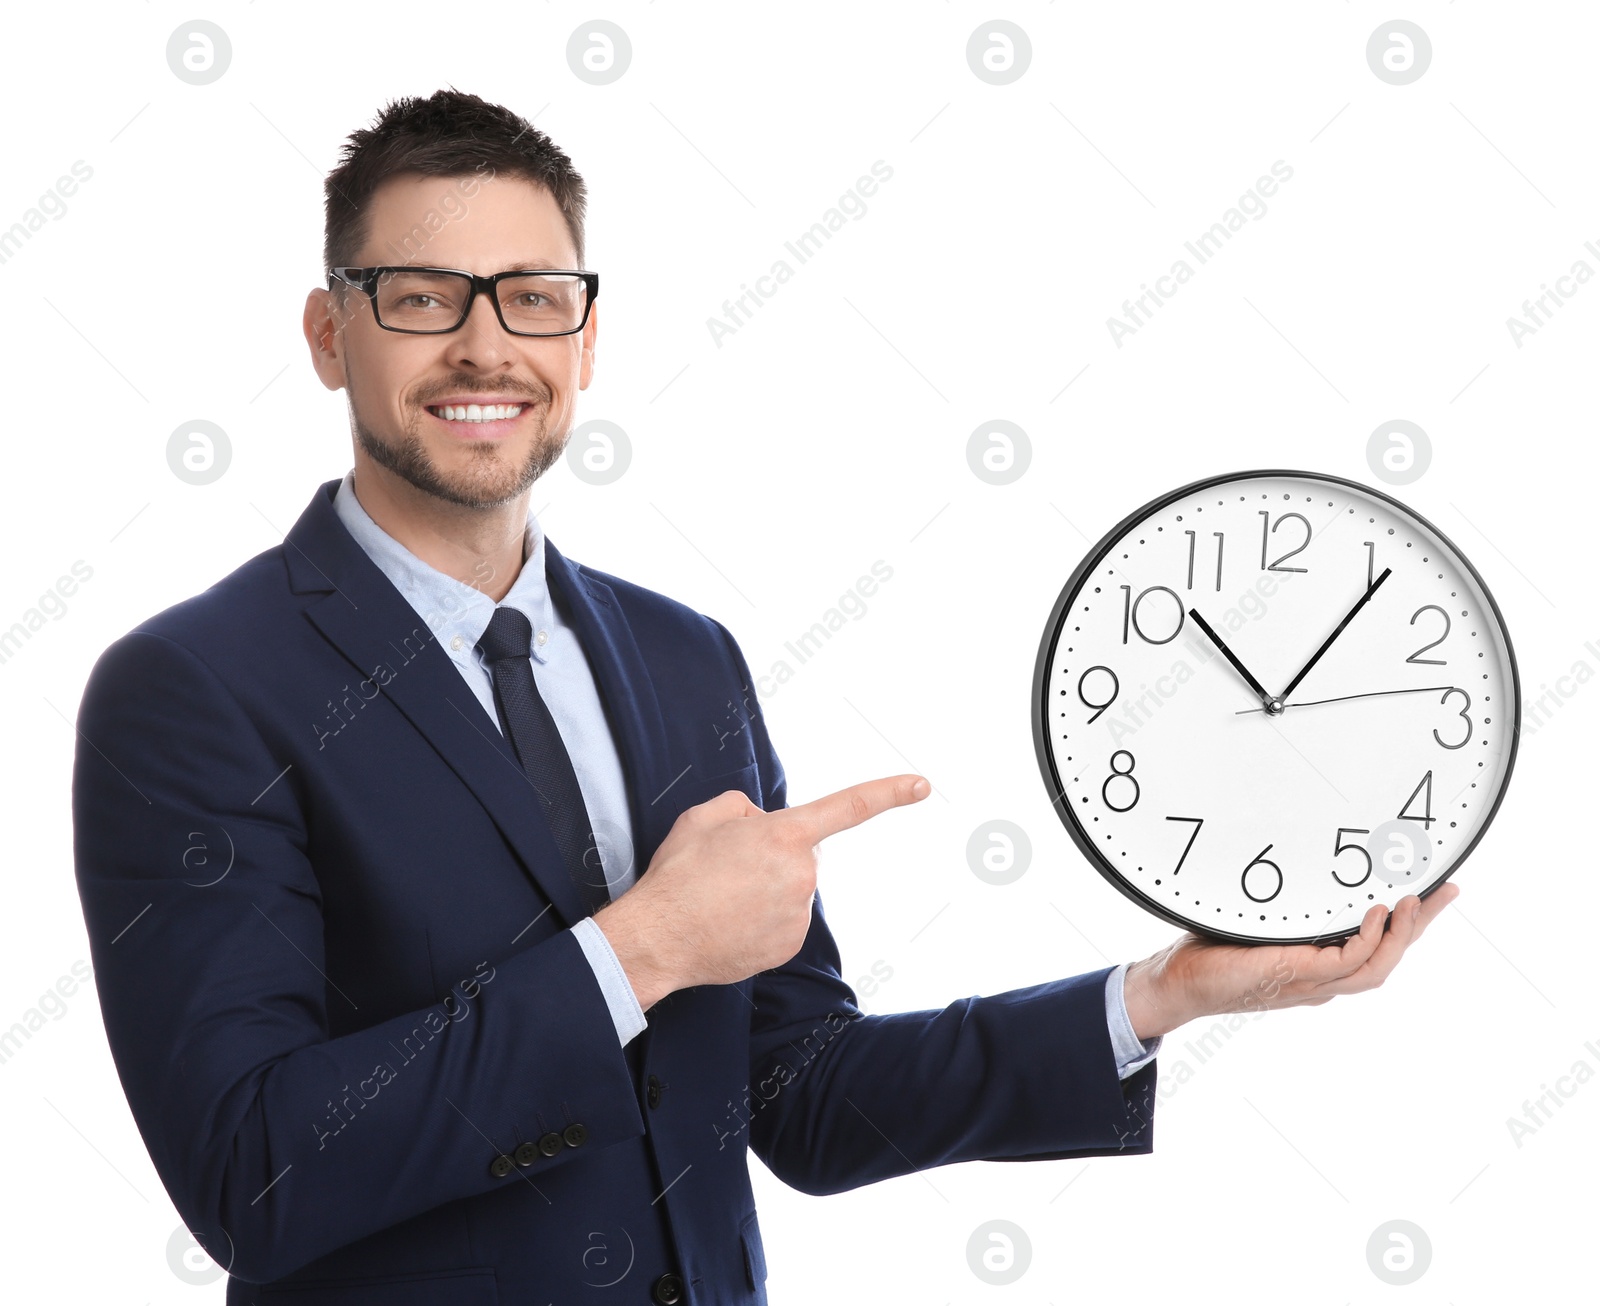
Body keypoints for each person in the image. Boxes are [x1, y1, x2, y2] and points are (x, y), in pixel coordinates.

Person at [70, 89, 1457, 1305]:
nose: (485, 346)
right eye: (422, 295)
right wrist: (643, 946)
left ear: (587, 337)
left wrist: (1159, 996)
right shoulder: (192, 689)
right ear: (330, 332)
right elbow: (251, 1170)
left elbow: (796, 1094)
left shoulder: (684, 658)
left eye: (532, 297)